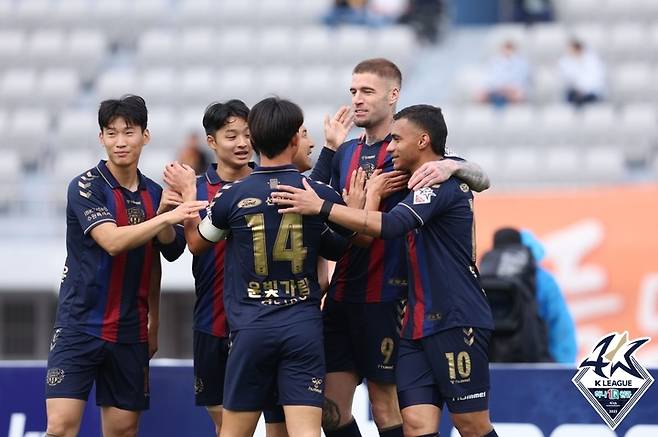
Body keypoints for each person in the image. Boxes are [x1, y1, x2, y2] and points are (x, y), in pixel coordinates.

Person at [272, 104, 499, 437]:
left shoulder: (442, 184)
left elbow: (391, 225)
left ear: (422, 141)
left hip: (456, 318)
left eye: (396, 140)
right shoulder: (413, 179)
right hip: (414, 324)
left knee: (471, 425)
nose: (389, 147)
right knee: (416, 424)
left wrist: (322, 207)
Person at [186, 97, 353, 437]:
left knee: (233, 432)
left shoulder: (231, 197)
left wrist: (189, 201)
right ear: (295, 140)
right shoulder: (319, 194)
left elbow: (199, 243)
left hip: (251, 330)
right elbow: (344, 243)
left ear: (255, 141)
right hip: (303, 329)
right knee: (305, 432)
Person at [44, 95, 207, 437]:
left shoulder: (153, 192)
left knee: (122, 431)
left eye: (129, 132)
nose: (120, 142)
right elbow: (113, 241)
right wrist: (169, 215)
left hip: (130, 331)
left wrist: (164, 214)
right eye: (112, 133)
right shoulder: (85, 186)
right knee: (60, 428)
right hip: (79, 323)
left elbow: (170, 251)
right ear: (101, 137)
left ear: (145, 136)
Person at [520, 229, 577, 363]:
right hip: (539, 364)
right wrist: (564, 366)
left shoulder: (487, 277)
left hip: (493, 367)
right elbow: (561, 326)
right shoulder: (543, 279)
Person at [477, 40, 530, 107]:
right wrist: (498, 88)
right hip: (496, 90)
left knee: (519, 95)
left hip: (512, 91)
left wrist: (508, 88)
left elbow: (521, 81)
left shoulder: (522, 64)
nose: (507, 51)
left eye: (510, 49)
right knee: (480, 94)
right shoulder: (493, 62)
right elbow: (489, 80)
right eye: (506, 48)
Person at [558, 39, 606, 107]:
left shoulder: (593, 60)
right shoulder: (565, 61)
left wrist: (583, 90)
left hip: (591, 93)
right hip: (573, 93)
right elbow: (566, 79)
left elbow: (597, 79)